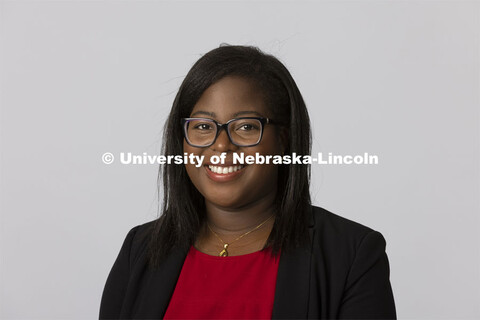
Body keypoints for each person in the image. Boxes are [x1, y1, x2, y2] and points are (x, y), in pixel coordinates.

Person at [99, 44, 396, 319]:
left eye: (245, 127)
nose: (221, 146)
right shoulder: (140, 249)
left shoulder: (352, 255)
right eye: (203, 126)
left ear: (284, 140)